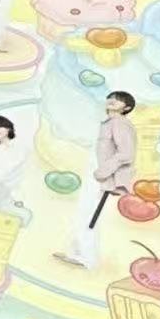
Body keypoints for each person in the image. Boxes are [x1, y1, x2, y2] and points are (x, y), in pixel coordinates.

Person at [54, 92, 137, 270]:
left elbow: (126, 153)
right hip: (95, 174)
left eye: (119, 100)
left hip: (102, 177)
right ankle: (75, 253)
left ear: (127, 108)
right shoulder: (107, 122)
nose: (113, 100)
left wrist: (103, 172)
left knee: (89, 216)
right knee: (84, 213)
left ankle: (86, 259)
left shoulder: (120, 123)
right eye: (111, 97)